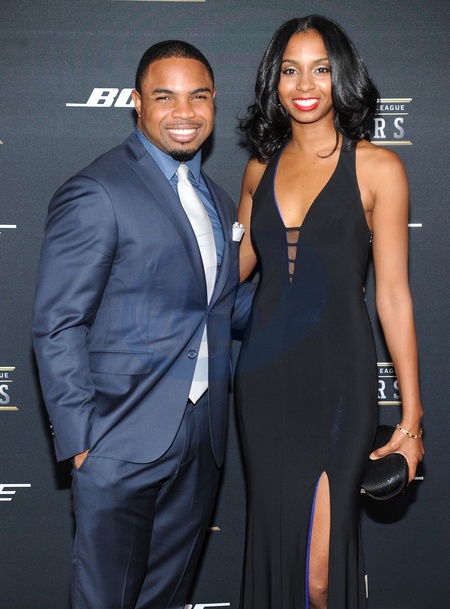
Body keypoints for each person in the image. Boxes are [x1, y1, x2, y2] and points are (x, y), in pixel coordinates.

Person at [32, 40, 244, 609]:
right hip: (117, 440)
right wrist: (83, 442)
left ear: (214, 103)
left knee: (165, 599)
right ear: (136, 102)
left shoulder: (221, 202)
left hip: (201, 440)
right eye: (165, 96)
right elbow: (58, 324)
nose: (184, 112)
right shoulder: (98, 190)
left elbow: (219, 308)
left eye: (199, 97)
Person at [234, 15, 424, 609]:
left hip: (340, 379)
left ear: (342, 76)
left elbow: (393, 296)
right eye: (290, 70)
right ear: (274, 80)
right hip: (263, 382)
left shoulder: (379, 168)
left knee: (320, 577)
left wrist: (411, 421)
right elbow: (225, 274)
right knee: (278, 553)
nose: (305, 84)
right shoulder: (258, 170)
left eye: (320, 68)